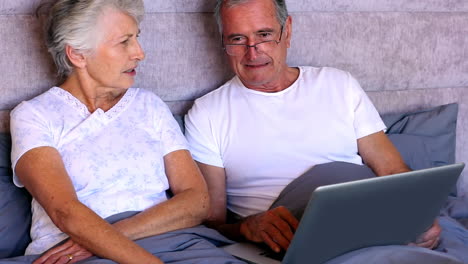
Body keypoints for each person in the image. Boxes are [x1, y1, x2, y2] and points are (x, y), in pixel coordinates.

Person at [184, 0, 441, 255]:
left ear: (288, 31)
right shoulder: (207, 112)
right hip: (291, 239)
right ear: (223, 42)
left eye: (264, 35)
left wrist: (418, 216)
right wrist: (247, 228)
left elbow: (392, 169)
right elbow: (211, 221)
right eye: (238, 39)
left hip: (369, 220)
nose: (253, 52)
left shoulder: (338, 84)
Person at [10, 1, 243, 263]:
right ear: (77, 54)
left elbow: (197, 200)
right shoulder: (34, 115)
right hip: (72, 255)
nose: (139, 53)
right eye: (124, 42)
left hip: (171, 241)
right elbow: (65, 211)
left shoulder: (149, 105)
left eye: (137, 38)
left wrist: (106, 237)